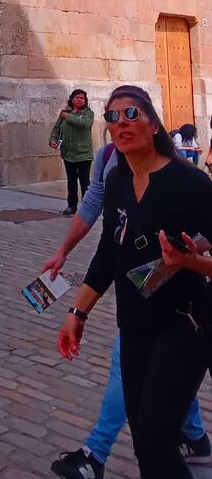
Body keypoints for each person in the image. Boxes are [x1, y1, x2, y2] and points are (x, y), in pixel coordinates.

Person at [58, 84, 212, 479]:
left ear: (154, 125)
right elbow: (110, 253)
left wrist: (192, 263)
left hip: (185, 324)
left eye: (131, 115)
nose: (120, 123)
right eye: (112, 117)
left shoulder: (191, 184)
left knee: (158, 439)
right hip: (134, 328)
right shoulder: (117, 181)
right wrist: (78, 311)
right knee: (145, 442)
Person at [50, 88, 94, 216]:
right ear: (72, 99)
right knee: (71, 181)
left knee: (85, 181)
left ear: (85, 100)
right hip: (68, 153)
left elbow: (84, 124)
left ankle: (88, 207)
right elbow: (57, 128)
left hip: (84, 153)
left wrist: (68, 116)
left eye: (82, 98)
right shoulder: (65, 113)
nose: (79, 100)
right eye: (77, 98)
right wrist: (53, 139)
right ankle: (71, 206)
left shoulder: (88, 113)